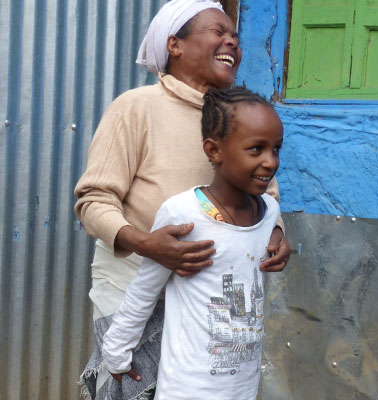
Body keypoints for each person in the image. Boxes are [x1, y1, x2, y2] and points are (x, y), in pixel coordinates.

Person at [74, 1, 290, 399]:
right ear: (174, 44)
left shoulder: (240, 116)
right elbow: (94, 201)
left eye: (236, 38)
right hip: (133, 288)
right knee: (132, 388)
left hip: (206, 300)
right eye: (218, 32)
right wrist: (147, 244)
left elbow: (266, 194)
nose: (231, 43)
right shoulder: (136, 108)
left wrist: (275, 231)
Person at [102, 86, 283, 400]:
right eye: (256, 149)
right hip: (188, 388)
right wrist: (117, 353)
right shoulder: (183, 214)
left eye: (276, 149)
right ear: (214, 151)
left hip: (243, 387)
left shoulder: (269, 213)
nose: (271, 162)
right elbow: (145, 288)